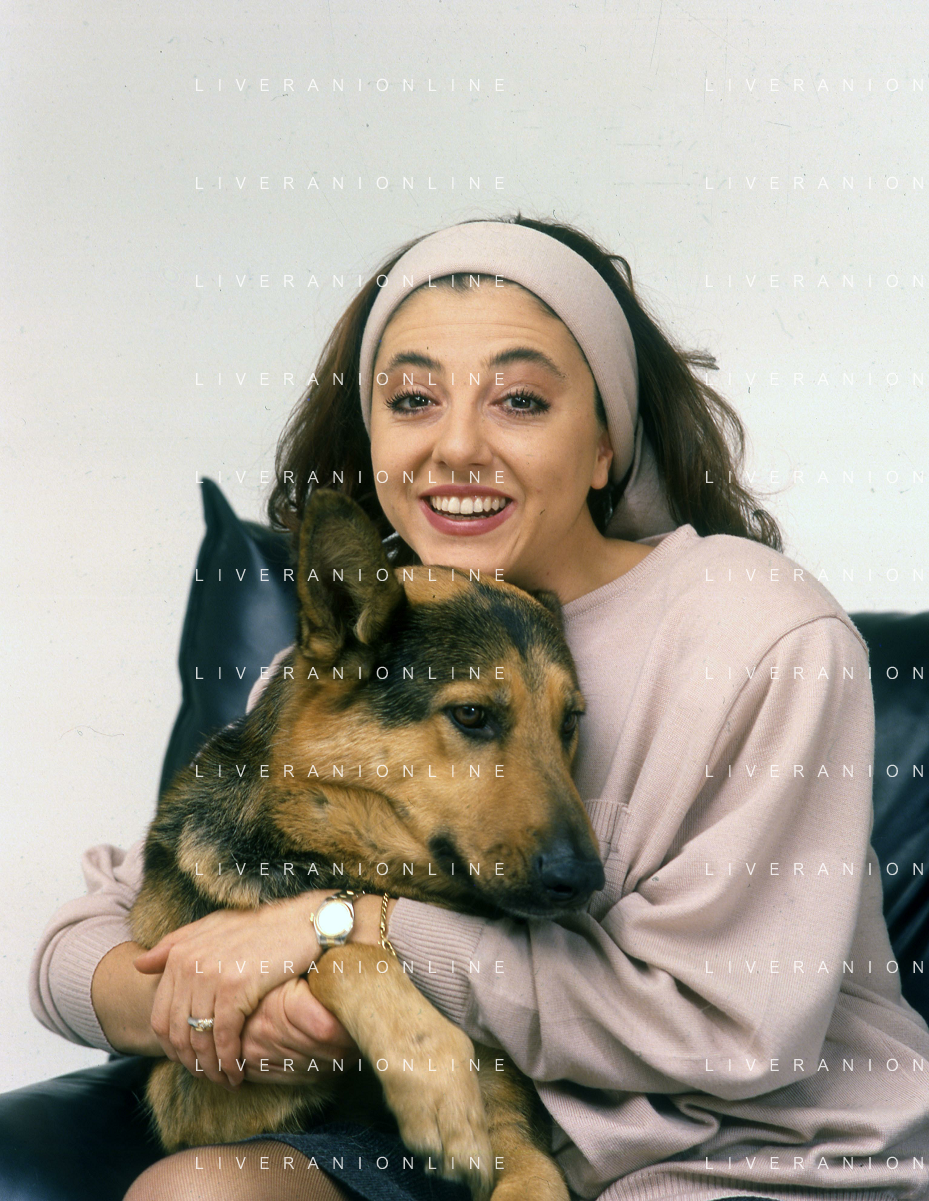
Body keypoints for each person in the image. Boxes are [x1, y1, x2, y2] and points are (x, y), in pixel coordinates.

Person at [29, 217, 929, 1201]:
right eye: (412, 399)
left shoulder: (759, 631)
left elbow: (732, 1033)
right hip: (467, 1133)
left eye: (519, 400)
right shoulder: (348, 664)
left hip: (752, 1157)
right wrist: (200, 999)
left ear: (604, 443)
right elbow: (91, 938)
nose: (456, 445)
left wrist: (342, 925)